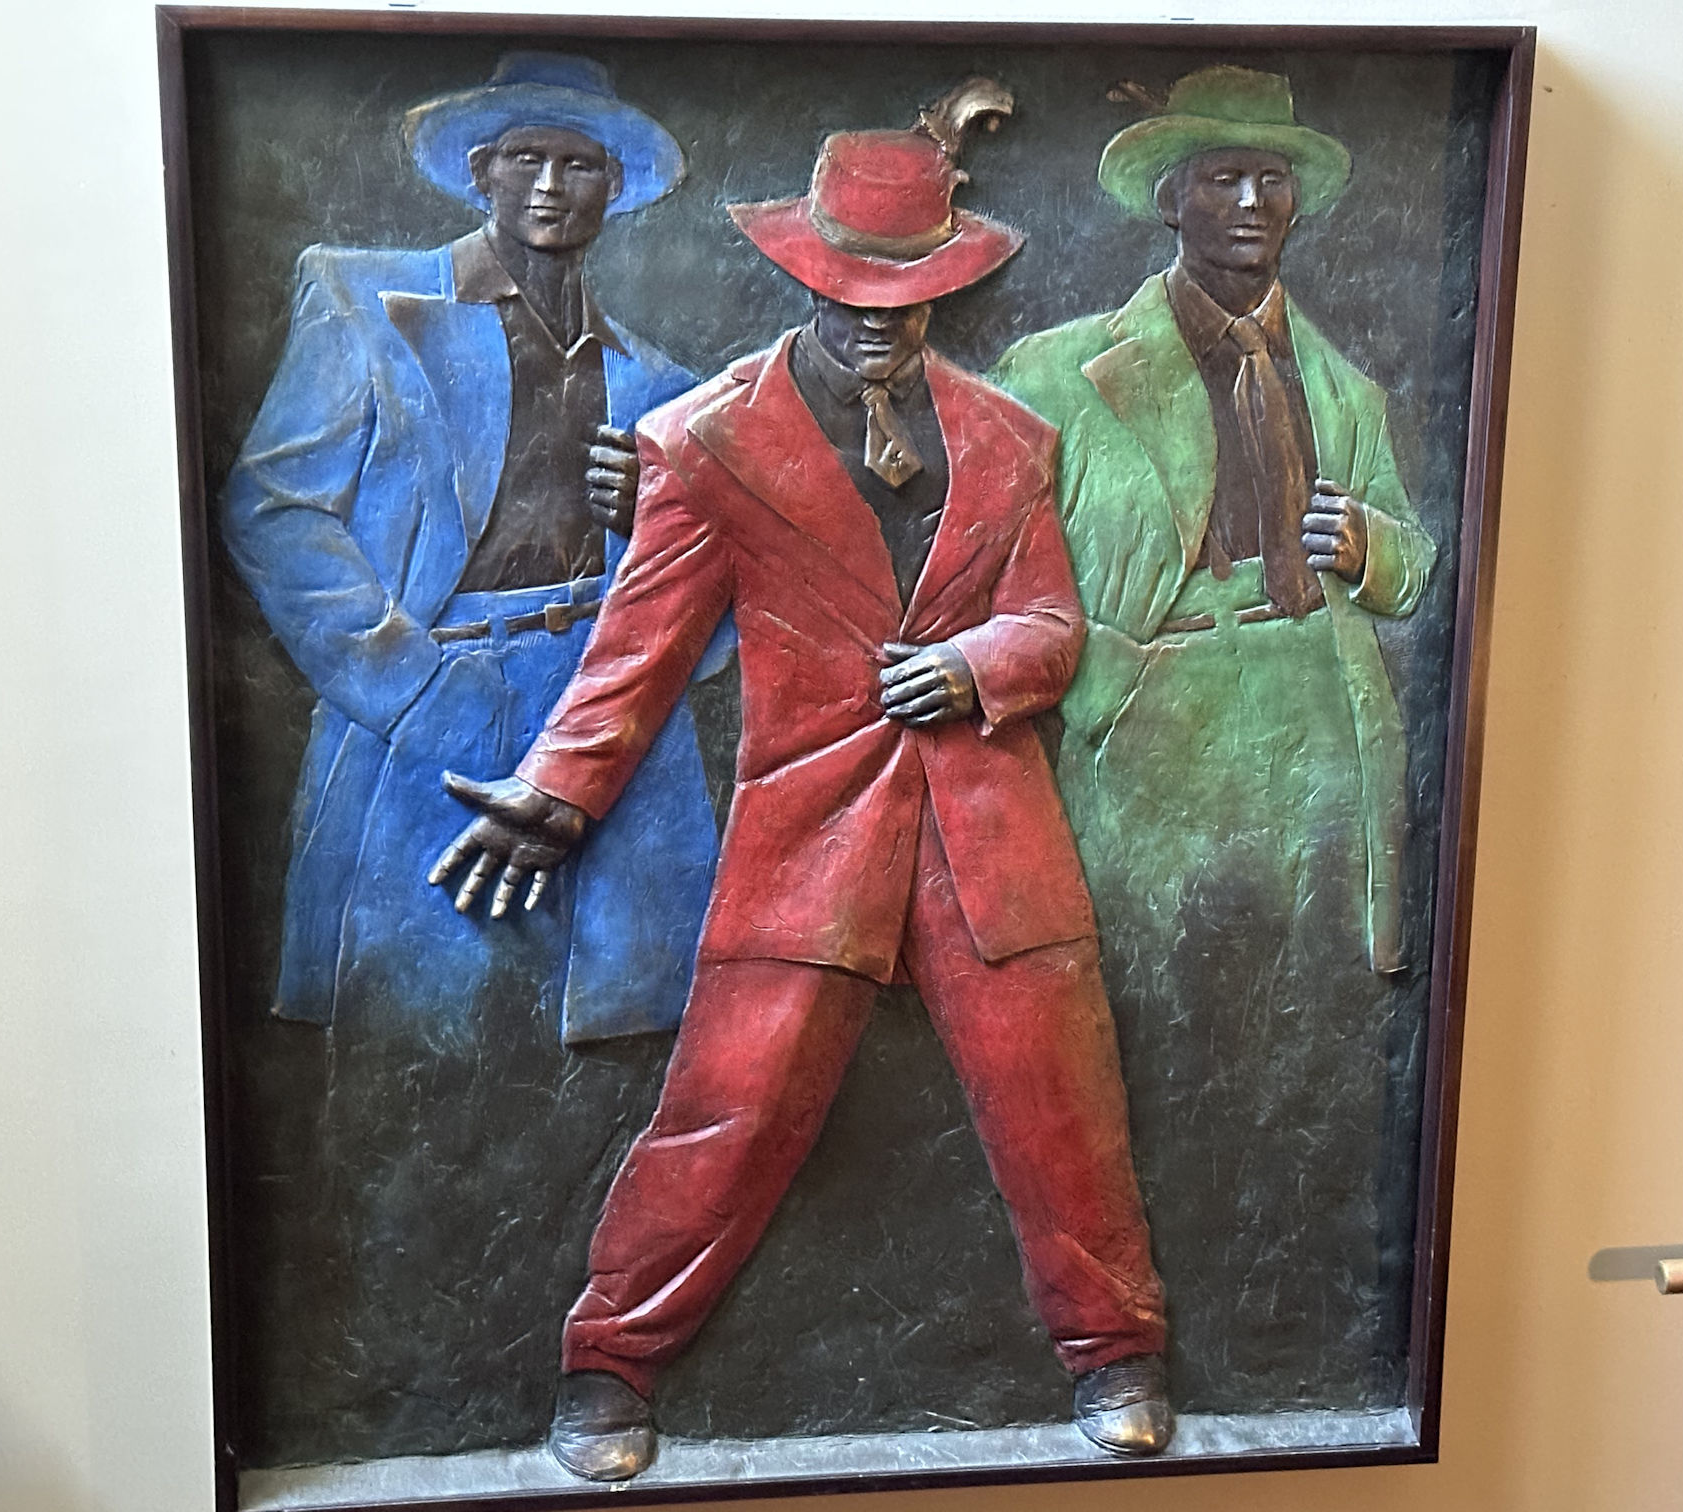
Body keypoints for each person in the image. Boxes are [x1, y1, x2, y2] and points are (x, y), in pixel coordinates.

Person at [433, 85, 1172, 1481]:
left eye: (906, 294)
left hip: (992, 833)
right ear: (801, 272)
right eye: (849, 290)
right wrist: (563, 790)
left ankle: (1116, 1350)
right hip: (812, 834)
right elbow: (640, 644)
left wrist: (978, 665)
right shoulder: (706, 443)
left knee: (1063, 1104)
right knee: (731, 1106)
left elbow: (1052, 623)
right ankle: (611, 1363)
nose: (876, 318)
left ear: (944, 286)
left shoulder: (1012, 440)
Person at [989, 68, 1437, 1400]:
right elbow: (991, 557)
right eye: (1223, 178)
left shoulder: (1339, 381)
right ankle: (1133, 1323)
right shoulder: (1060, 370)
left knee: (1309, 1033)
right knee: (1148, 1031)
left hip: (1314, 724)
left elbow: (1417, 566)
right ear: (1170, 198)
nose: (1251, 202)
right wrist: (1095, 695)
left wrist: (1368, 544)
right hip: (1156, 729)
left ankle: (1280, 1315)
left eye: (1272, 179)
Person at [224, 52, 728, 1050]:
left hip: (614, 726)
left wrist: (660, 519)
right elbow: (274, 509)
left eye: (578, 164)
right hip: (435, 702)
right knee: (424, 1038)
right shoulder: (367, 305)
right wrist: (412, 687)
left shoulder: (663, 385)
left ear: (614, 187)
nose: (549, 185)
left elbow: (714, 604)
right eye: (525, 157)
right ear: (480, 171)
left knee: (625, 1044)